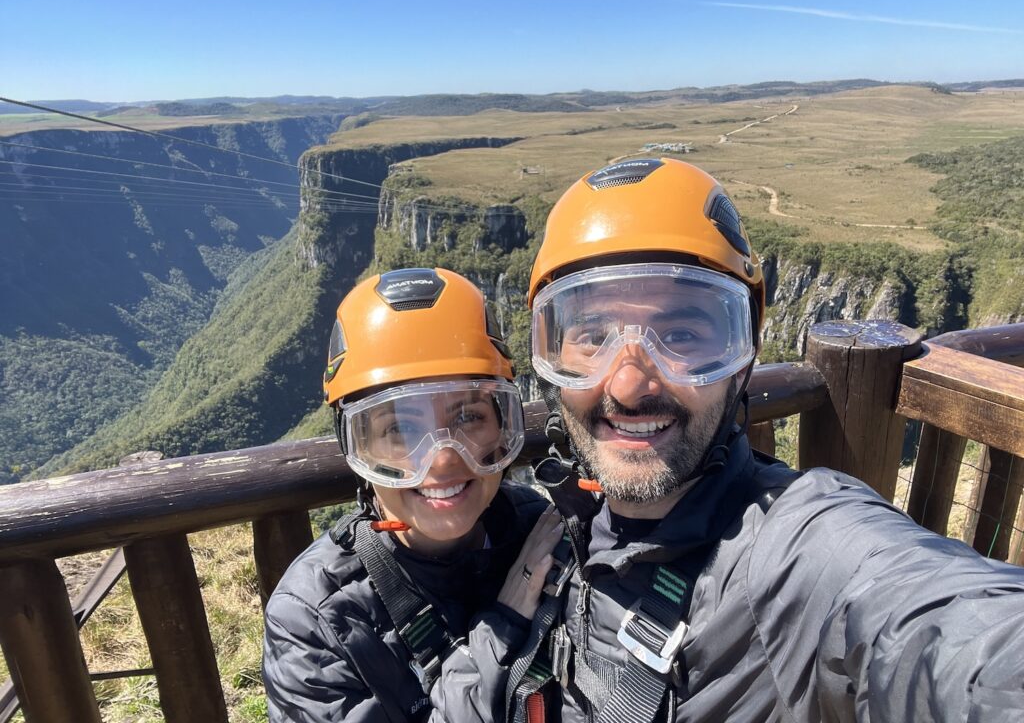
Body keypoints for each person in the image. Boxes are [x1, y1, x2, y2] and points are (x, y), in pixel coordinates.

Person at [495, 157, 1024, 722]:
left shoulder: (797, 555)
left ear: (742, 361)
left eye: (680, 335)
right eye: (592, 336)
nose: (627, 386)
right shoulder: (555, 531)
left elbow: (947, 634)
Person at [262, 267, 563, 722]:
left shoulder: (534, 527)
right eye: (399, 429)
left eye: (468, 417)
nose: (442, 460)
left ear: (502, 424)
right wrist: (505, 622)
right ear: (357, 447)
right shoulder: (313, 620)